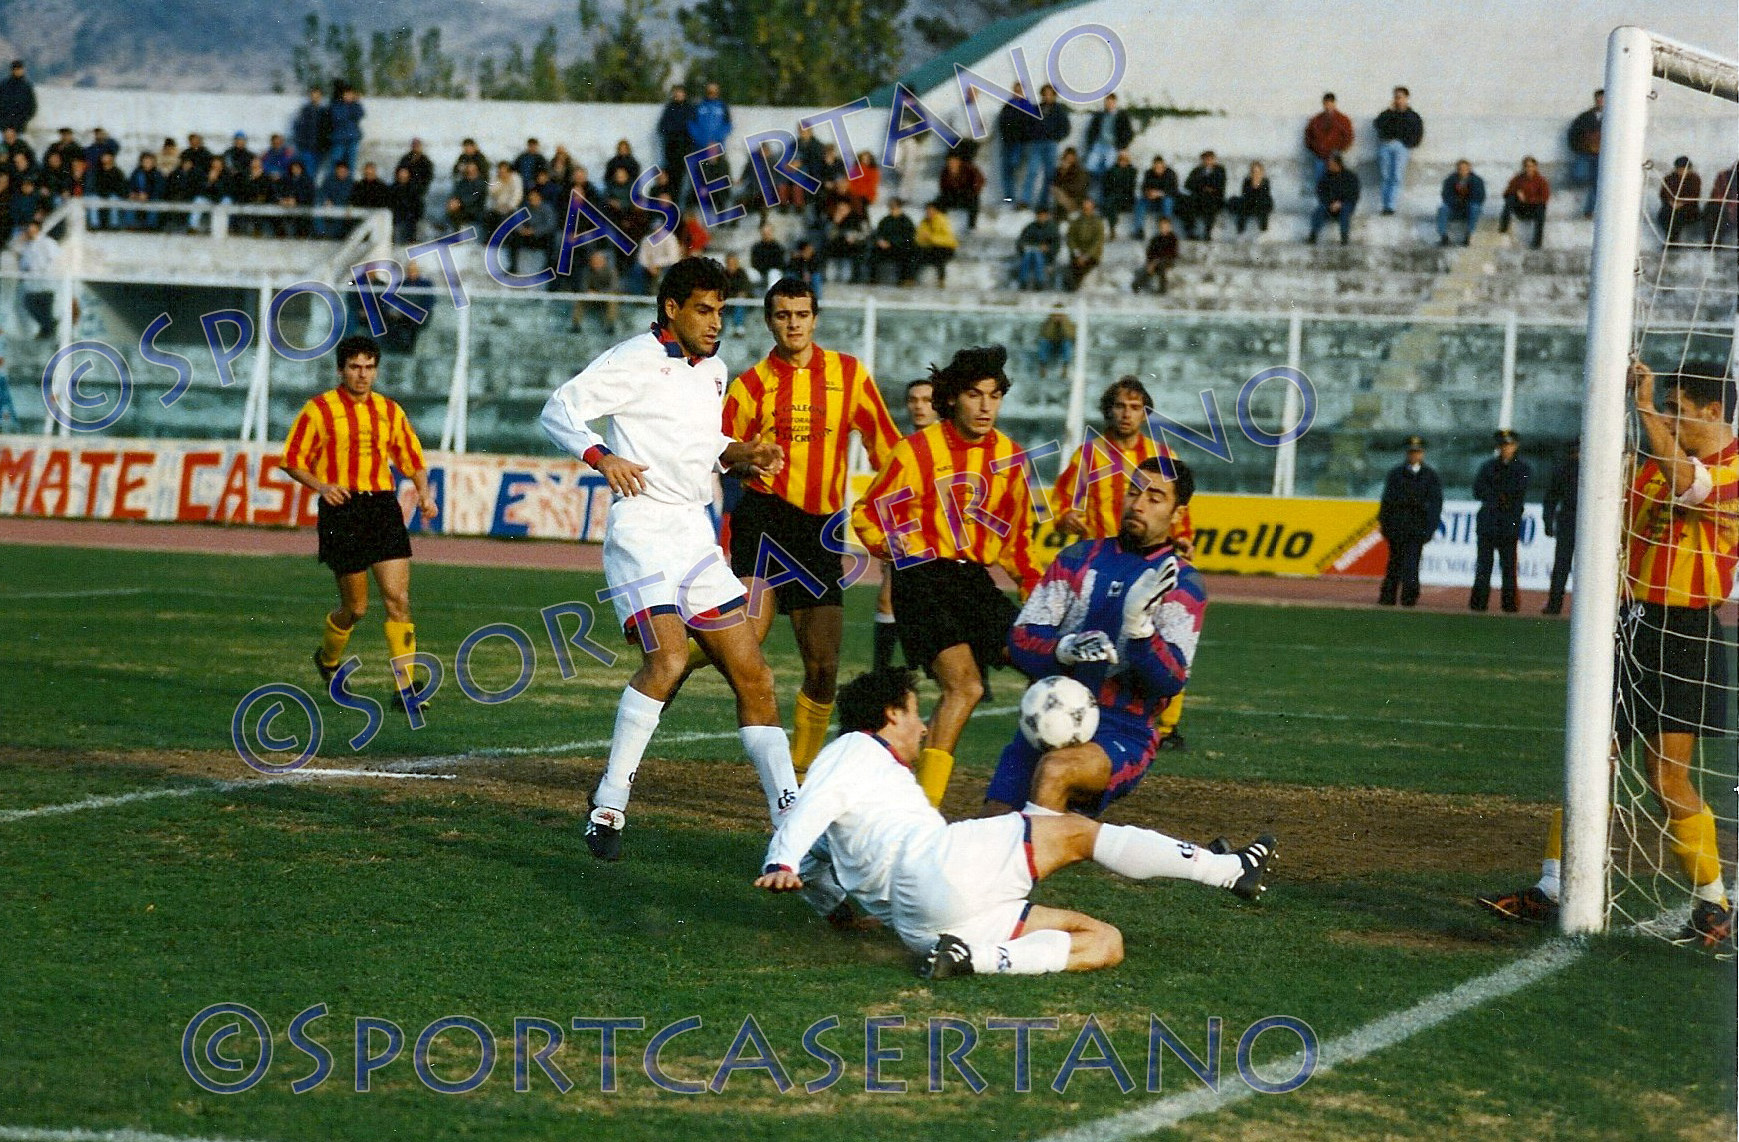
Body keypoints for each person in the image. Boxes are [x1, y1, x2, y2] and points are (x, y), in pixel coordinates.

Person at [755, 668, 1278, 978]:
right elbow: (809, 811)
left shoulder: (867, 777)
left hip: (925, 925)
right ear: (891, 715)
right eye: (915, 713)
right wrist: (780, 858)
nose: (922, 725)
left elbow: (817, 855)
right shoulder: (854, 748)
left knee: (1103, 941)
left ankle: (971, 960)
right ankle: (1229, 870)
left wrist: (837, 913)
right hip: (933, 866)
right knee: (1074, 832)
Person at [540, 257, 797, 862]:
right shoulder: (635, 357)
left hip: (693, 534)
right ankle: (609, 801)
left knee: (755, 675)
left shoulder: (716, 370)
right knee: (670, 658)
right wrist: (604, 458)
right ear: (671, 309)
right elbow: (560, 409)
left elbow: (700, 445)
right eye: (704, 310)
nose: (715, 323)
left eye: (722, 311)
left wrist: (742, 454)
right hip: (642, 529)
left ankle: (790, 814)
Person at [1480, 362, 1735, 949]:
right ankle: (1551, 888)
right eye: (1665, 409)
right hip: (1629, 622)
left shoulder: (1732, 469)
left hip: (1687, 630)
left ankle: (1713, 902)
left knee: (1666, 776)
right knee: (1591, 756)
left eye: (1678, 411)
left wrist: (1644, 409)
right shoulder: (1651, 465)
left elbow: (1691, 488)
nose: (1669, 420)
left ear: (1714, 412)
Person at [719, 277, 900, 773]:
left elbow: (886, 446)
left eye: (801, 314)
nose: (793, 323)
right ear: (768, 320)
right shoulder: (751, 384)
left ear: (815, 318)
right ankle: (677, 663)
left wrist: (906, 502)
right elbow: (716, 453)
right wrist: (746, 463)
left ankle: (801, 765)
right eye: (782, 315)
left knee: (823, 667)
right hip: (763, 519)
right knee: (746, 640)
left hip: (819, 529)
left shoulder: (850, 374)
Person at [852, 345, 1045, 807]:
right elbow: (867, 515)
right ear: (953, 398)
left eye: (994, 396)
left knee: (1045, 665)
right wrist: (902, 549)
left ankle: (1040, 794)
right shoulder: (919, 449)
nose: (985, 407)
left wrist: (1038, 597)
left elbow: (1018, 541)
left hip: (974, 584)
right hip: (923, 582)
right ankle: (923, 808)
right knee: (967, 686)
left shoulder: (1010, 458)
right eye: (975, 395)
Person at [986, 454, 1206, 817]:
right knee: (989, 827)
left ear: (1178, 514)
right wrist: (1064, 648)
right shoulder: (1076, 558)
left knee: (1056, 772)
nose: (1138, 504)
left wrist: (1140, 631)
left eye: (1155, 498)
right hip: (1049, 717)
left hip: (1122, 730)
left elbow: (1170, 680)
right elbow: (1021, 639)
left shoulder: (1182, 582)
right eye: (1134, 492)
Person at [282, 335, 437, 710]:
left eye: (369, 367)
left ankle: (405, 689)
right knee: (356, 608)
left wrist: (424, 493)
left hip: (382, 507)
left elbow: (410, 456)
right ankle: (328, 659)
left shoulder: (389, 410)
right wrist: (322, 486)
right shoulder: (319, 409)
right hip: (343, 510)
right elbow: (292, 458)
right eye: (355, 367)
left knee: (398, 599)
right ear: (341, 370)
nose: (362, 375)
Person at [872, 379, 940, 672]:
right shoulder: (900, 448)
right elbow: (887, 498)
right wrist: (886, 540)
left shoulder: (949, 446)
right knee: (887, 601)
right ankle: (880, 671)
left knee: (951, 611)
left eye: (926, 400)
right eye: (913, 400)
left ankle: (975, 679)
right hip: (907, 541)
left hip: (946, 541)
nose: (919, 406)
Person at [1376, 435, 1444, 607]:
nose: (1414, 455)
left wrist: (1430, 527)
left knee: (1412, 564)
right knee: (1394, 563)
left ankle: (1409, 598)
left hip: (1417, 526)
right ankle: (1388, 597)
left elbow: (1436, 504)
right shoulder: (1396, 474)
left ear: (1422, 454)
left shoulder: (1430, 476)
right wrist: (1385, 524)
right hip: (1398, 525)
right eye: (1411, 452)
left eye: (1417, 452)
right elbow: (1387, 501)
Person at [1469, 428, 1531, 612]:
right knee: (1483, 566)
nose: (1506, 449)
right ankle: (1478, 604)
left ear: (1515, 446)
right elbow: (1478, 490)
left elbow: (1517, 491)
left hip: (1508, 523)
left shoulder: (1522, 468)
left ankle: (1509, 605)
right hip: (1488, 522)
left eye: (1509, 445)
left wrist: (1498, 495)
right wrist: (1498, 496)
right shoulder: (1487, 467)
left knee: (1508, 567)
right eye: (1503, 445)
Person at [1541, 438, 1579, 615]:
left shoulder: (1563, 469)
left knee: (1561, 566)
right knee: (1567, 566)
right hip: (1575, 520)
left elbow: (1550, 498)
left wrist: (1548, 522)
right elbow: (1551, 498)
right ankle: (1561, 605)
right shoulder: (1569, 469)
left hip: (1568, 520)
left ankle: (1554, 605)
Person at [1373, 86, 1424, 215]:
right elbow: (1377, 124)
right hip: (1386, 145)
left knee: (1396, 176)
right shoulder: (1388, 113)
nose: (1398, 100)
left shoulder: (1412, 115)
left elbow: (1418, 131)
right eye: (1396, 97)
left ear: (1406, 98)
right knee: (1385, 176)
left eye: (1400, 97)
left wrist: (1409, 144)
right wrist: (1390, 112)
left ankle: (1391, 206)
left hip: (1402, 147)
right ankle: (1385, 205)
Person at [1026, 84, 1071, 210]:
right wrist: (1032, 135)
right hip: (1036, 144)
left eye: (1050, 94)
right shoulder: (1036, 108)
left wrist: (1056, 137)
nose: (1047, 96)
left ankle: (1043, 203)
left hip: (1051, 144)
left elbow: (1066, 128)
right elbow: (1028, 124)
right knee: (1032, 171)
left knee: (1049, 174)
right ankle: (1025, 201)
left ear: (1054, 95)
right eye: (1045, 93)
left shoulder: (1059, 109)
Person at [1083, 93, 1134, 198]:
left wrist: (1122, 147)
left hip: (1112, 147)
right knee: (1089, 167)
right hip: (1098, 146)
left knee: (1109, 170)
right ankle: (1088, 197)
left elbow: (1128, 133)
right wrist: (1091, 144)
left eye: (1111, 102)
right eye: (1107, 102)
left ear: (1115, 103)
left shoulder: (1122, 116)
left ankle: (1103, 198)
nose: (1109, 104)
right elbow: (1091, 131)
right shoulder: (1099, 115)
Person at [16, 220, 59, 339]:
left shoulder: (48, 242)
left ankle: (48, 332)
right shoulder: (27, 246)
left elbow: (55, 259)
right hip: (33, 284)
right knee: (29, 303)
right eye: (28, 229)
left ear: (37, 229)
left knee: (45, 309)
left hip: (46, 283)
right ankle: (49, 326)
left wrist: (44, 271)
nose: (29, 231)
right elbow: (24, 263)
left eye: (32, 228)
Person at [996, 80, 1035, 206]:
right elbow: (1002, 122)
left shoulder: (1028, 105)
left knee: (1022, 171)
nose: (1017, 93)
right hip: (1009, 143)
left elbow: (1032, 123)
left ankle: (1023, 200)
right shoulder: (1008, 105)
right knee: (1007, 171)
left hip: (1023, 144)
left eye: (1020, 91)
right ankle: (1009, 198)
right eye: (1016, 90)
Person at [1499, 156, 1550, 249]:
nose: (1529, 168)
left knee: (1541, 208)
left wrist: (1527, 199)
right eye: (1527, 166)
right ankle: (1503, 228)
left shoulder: (1541, 181)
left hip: (1533, 209)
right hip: (1521, 208)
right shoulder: (1518, 179)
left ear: (1535, 167)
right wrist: (1516, 192)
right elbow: (1506, 193)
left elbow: (1544, 198)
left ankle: (1537, 243)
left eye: (1531, 166)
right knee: (1510, 199)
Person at [1308, 153, 1360, 245]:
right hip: (1330, 205)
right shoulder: (1325, 177)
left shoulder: (1350, 177)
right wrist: (1330, 203)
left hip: (1344, 204)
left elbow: (1353, 194)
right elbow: (1321, 192)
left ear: (1338, 164)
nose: (1328, 166)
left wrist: (1340, 203)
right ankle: (1313, 236)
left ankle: (1344, 238)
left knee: (1345, 211)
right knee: (1320, 210)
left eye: (1331, 164)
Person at [1304, 93, 1354, 186]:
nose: (1328, 106)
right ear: (1323, 104)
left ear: (1334, 103)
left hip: (1336, 158)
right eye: (1326, 104)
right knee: (1320, 184)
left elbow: (1349, 137)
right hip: (1320, 157)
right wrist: (1315, 150)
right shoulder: (1315, 120)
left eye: (1330, 103)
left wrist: (1339, 151)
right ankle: (1321, 200)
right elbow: (1308, 136)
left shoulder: (1343, 120)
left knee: (1337, 184)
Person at [1567, 89, 1602, 218]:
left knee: (1597, 182)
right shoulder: (1586, 116)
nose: (1601, 101)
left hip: (1602, 156)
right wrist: (1578, 147)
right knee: (1578, 175)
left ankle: (1589, 210)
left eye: (1603, 99)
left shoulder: (1614, 117)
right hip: (1586, 153)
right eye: (1599, 99)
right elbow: (1573, 132)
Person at [866, 197, 917, 285]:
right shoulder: (886, 220)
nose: (892, 209)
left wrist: (892, 243)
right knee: (873, 252)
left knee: (910, 253)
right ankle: (872, 279)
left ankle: (906, 280)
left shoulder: (906, 221)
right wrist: (880, 241)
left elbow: (908, 237)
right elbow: (878, 233)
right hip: (885, 248)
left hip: (900, 248)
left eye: (895, 206)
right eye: (891, 207)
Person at [1178, 150, 1226, 241]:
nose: (1208, 161)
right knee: (1186, 203)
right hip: (1199, 197)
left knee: (1210, 202)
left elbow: (1220, 186)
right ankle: (1190, 231)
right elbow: (1188, 184)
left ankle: (1207, 232)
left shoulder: (1220, 170)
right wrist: (1202, 188)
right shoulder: (1197, 170)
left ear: (1214, 159)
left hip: (1214, 198)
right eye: (1205, 159)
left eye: (1210, 159)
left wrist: (1208, 188)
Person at [1436, 159, 1485, 246]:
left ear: (1469, 169)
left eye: (1465, 168)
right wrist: (1456, 201)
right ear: (1457, 169)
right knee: (1442, 209)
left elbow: (1479, 197)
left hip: (1469, 209)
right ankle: (1443, 237)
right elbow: (1445, 196)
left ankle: (1469, 236)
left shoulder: (1477, 180)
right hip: (1455, 209)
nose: (1463, 171)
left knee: (1475, 207)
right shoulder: (1450, 180)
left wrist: (1465, 201)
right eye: (1460, 168)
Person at [1657, 156, 1702, 244]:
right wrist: (1670, 201)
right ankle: (1670, 238)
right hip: (1671, 206)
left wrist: (1682, 202)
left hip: (1689, 208)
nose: (1681, 171)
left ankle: (1674, 240)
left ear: (1689, 169)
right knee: (1666, 215)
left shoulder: (1695, 179)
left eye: (1684, 169)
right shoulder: (1669, 178)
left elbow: (1695, 194)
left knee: (1678, 216)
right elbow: (1663, 194)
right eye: (1679, 169)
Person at [1063, 197, 1105, 291]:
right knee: (1073, 267)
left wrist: (1085, 256)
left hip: (1091, 255)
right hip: (1077, 254)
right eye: (1084, 208)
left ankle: (1077, 288)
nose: (1086, 210)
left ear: (1092, 208)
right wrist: (1077, 253)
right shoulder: (1076, 222)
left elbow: (1098, 242)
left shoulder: (1098, 223)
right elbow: (1071, 238)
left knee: (1082, 268)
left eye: (1088, 208)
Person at [1014, 205, 1060, 291]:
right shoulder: (1030, 227)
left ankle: (1040, 282)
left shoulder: (1052, 228)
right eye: (1039, 215)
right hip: (1030, 255)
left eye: (1043, 215)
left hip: (1046, 257)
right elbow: (1021, 242)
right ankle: (1023, 281)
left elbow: (1056, 245)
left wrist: (1047, 248)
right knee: (1029, 254)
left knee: (1037, 255)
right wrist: (1025, 247)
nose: (1041, 218)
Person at [936, 152, 984, 231]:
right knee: (939, 202)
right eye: (949, 162)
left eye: (953, 161)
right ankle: (942, 225)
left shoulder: (969, 168)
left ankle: (971, 226)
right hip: (953, 196)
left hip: (967, 195)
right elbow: (942, 187)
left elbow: (980, 180)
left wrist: (973, 191)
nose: (951, 164)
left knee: (974, 201)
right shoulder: (945, 172)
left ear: (958, 161)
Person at [913, 200, 958, 285]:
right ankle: (911, 279)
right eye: (927, 210)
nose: (928, 212)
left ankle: (941, 280)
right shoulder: (924, 222)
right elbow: (918, 238)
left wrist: (931, 238)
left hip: (946, 248)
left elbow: (949, 239)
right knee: (915, 255)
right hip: (931, 247)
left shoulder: (943, 220)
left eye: (931, 210)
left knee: (939, 257)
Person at [1134, 154, 1178, 239]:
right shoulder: (1149, 173)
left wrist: (1160, 193)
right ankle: (1139, 230)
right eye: (1156, 167)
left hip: (1165, 202)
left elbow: (1174, 190)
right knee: (1140, 202)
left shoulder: (1170, 174)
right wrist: (1148, 193)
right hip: (1152, 201)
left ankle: (1165, 229)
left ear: (1163, 165)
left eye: (1160, 167)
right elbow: (1143, 188)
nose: (1158, 169)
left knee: (1167, 201)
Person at [1131, 217, 1179, 295]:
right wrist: (1150, 262)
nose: (1163, 228)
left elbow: (1171, 253)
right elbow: (1150, 252)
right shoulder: (1155, 239)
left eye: (1165, 226)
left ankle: (1162, 289)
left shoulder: (1173, 238)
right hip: (1155, 261)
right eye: (1161, 226)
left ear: (1169, 226)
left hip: (1167, 260)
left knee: (1161, 266)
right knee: (1147, 269)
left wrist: (1156, 261)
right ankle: (1137, 286)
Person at [292, 87, 331, 178]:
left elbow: (329, 128)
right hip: (307, 147)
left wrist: (326, 145)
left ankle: (311, 189)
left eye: (317, 96)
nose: (315, 98)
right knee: (309, 172)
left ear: (320, 96)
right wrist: (300, 142)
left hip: (320, 148)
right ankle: (309, 190)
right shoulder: (305, 110)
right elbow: (298, 127)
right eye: (313, 95)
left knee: (316, 172)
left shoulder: (324, 111)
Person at [328, 85, 365, 177]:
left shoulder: (356, 105)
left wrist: (355, 103)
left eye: (350, 94)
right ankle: (333, 183)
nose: (348, 96)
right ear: (342, 95)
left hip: (352, 139)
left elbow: (360, 114)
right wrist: (349, 113)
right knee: (335, 163)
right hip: (339, 139)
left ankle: (349, 184)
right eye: (346, 94)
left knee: (351, 164)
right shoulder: (336, 105)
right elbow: (338, 117)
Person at [1226, 162, 1273, 235]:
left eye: (1257, 171)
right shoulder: (1247, 181)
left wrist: (1257, 187)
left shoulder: (1265, 182)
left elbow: (1264, 195)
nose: (1255, 174)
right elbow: (1245, 195)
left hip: (1261, 205)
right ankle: (1240, 231)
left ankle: (1263, 229)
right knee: (1240, 204)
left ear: (1261, 172)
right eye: (1253, 171)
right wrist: (1253, 186)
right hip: (1249, 204)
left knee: (1264, 205)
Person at [1100, 149, 1138, 238]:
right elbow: (1107, 186)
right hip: (1114, 198)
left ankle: (1112, 227)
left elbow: (1130, 188)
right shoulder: (1112, 170)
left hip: (1127, 199)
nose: (1123, 162)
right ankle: (1112, 228)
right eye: (1121, 159)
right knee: (1111, 201)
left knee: (1112, 200)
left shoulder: (1132, 171)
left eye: (1125, 160)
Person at [1035, 306, 1075, 378]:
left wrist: (1063, 325)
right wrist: (1053, 324)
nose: (1057, 317)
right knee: (1043, 342)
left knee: (1067, 344)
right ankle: (1042, 367)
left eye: (1059, 315)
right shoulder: (1047, 322)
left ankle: (1065, 368)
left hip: (1062, 346)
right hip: (1051, 345)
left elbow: (1071, 336)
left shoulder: (1068, 323)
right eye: (1055, 315)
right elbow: (1045, 335)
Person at [1705, 160, 1738, 249]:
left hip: (1733, 207)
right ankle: (1712, 242)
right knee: (1712, 207)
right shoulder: (1724, 175)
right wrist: (1727, 204)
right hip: (1724, 205)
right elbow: (1717, 193)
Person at [1049, 147, 1089, 218]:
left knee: (1058, 192)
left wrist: (1062, 188)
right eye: (1066, 157)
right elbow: (1054, 183)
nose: (1068, 160)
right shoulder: (1059, 170)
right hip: (1063, 199)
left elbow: (1077, 188)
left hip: (1076, 201)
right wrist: (1063, 172)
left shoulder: (1079, 171)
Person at [0, 61, 35, 134]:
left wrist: (23, 120)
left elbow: (31, 106)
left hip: (20, 126)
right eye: (16, 69)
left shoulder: (26, 87)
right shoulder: (4, 85)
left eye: (19, 69)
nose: (18, 71)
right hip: (3, 126)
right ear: (12, 70)